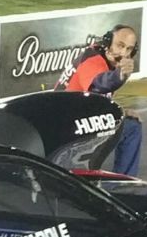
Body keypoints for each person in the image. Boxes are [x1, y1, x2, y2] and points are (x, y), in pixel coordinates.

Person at [56, 24, 142, 176]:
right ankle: (122, 184)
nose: (123, 53)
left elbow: (97, 100)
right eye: (120, 45)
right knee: (132, 128)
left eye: (129, 49)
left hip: (74, 120)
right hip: (68, 128)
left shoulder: (104, 59)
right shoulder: (93, 60)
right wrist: (120, 75)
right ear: (108, 43)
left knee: (131, 125)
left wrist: (119, 112)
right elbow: (99, 85)